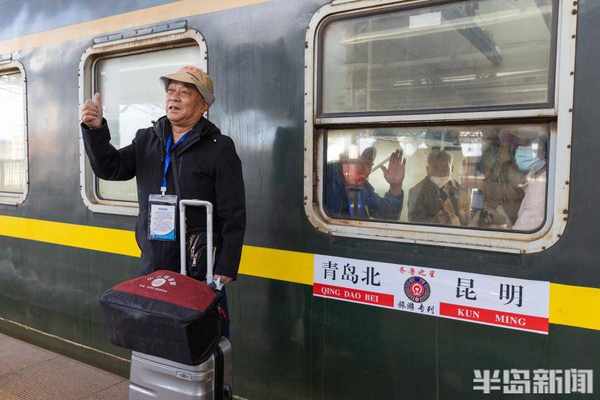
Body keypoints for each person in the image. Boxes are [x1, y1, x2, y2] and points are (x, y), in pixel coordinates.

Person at [81, 65, 246, 336]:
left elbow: (233, 212)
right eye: (171, 91)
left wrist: (226, 266)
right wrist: (96, 130)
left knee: (201, 337)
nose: (174, 97)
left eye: (185, 92)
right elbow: (111, 168)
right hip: (155, 258)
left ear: (204, 105)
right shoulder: (147, 139)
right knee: (155, 335)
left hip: (198, 263)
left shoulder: (219, 147)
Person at [324, 147, 405, 220]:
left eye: (369, 164)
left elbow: (388, 214)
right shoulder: (323, 178)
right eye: (359, 162)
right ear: (343, 160)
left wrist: (395, 186)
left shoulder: (363, 189)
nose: (366, 171)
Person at [408, 149, 465, 226]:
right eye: (435, 168)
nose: (440, 173)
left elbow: (467, 220)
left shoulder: (461, 191)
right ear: (427, 170)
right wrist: (435, 221)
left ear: (452, 169)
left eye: (445, 168)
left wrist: (455, 218)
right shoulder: (416, 192)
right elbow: (413, 222)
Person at [512, 138, 547, 231]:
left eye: (528, 145)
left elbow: (528, 224)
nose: (521, 150)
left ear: (544, 152)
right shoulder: (534, 173)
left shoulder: (542, 184)